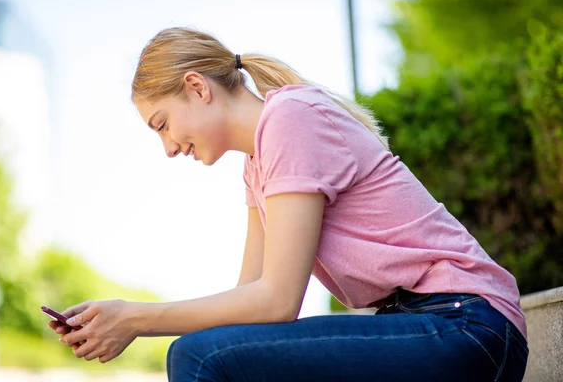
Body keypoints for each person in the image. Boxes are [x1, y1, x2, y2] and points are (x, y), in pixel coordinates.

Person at [50, 27, 529, 381]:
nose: (169, 147)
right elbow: (252, 300)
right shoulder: (257, 163)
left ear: (197, 87)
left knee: (197, 358)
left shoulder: (291, 118)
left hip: (468, 324)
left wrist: (134, 318)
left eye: (161, 124)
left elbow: (278, 300)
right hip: (421, 323)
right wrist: (124, 320)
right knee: (206, 350)